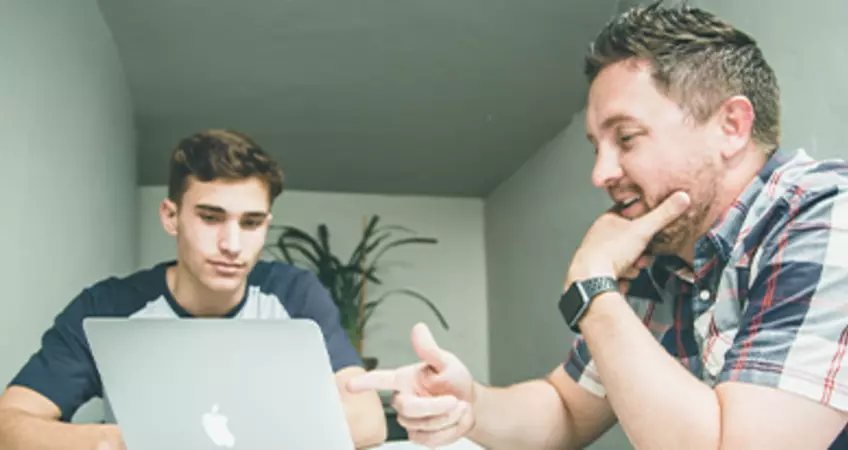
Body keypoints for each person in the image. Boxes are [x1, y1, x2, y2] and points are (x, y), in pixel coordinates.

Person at [348, 2, 848, 449]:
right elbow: (563, 410)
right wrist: (469, 404)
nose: (600, 173)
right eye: (596, 147)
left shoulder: (826, 215)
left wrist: (592, 287)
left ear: (731, 126)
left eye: (626, 138)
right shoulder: (660, 259)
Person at [0, 129, 387, 449]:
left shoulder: (294, 294)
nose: (232, 244)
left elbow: (367, 421)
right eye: (210, 217)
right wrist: (125, 442)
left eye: (250, 223)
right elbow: (10, 425)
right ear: (171, 217)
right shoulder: (106, 307)